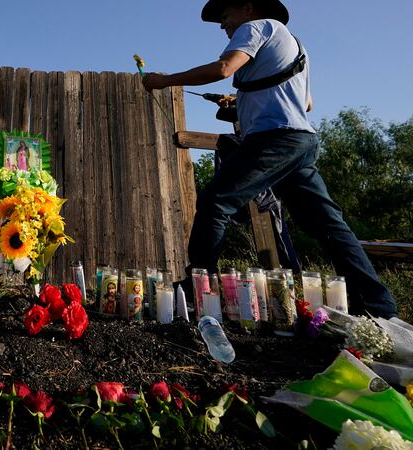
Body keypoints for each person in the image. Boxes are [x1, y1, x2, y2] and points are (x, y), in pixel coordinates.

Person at [141, 0, 397, 318]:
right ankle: (378, 307)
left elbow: (223, 68)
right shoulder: (293, 45)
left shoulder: (256, 27)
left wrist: (164, 80)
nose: (223, 25)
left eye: (225, 15)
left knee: (215, 201)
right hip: (301, 141)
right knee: (328, 224)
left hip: (274, 140)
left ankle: (197, 288)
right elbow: (307, 104)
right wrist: (240, 103)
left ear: (247, 8)